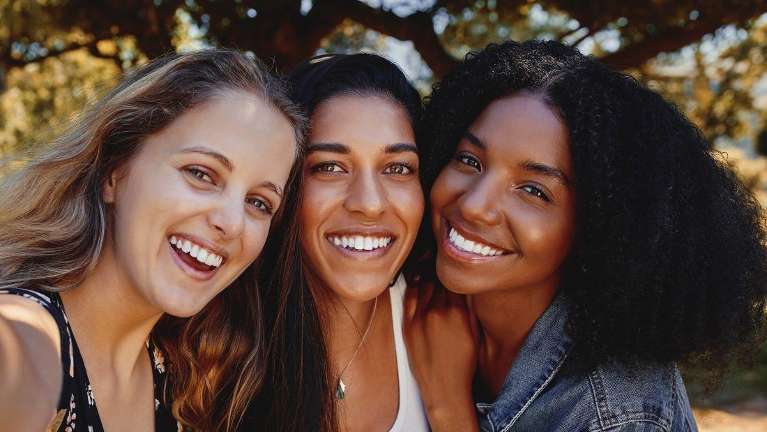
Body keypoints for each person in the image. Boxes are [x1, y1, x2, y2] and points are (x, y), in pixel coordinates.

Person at [404, 40, 767, 432]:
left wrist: (448, 409)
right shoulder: (422, 300)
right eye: (469, 160)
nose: (475, 205)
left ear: (596, 226)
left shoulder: (618, 413)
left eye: (534, 190)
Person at [0, 49, 306, 431]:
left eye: (259, 202)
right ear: (115, 171)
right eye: (201, 173)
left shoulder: (182, 383)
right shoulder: (26, 335)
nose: (232, 223)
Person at [250, 53, 429, 432]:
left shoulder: (446, 328)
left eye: (397, 168)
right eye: (329, 167)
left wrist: (449, 406)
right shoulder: (215, 340)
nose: (369, 203)